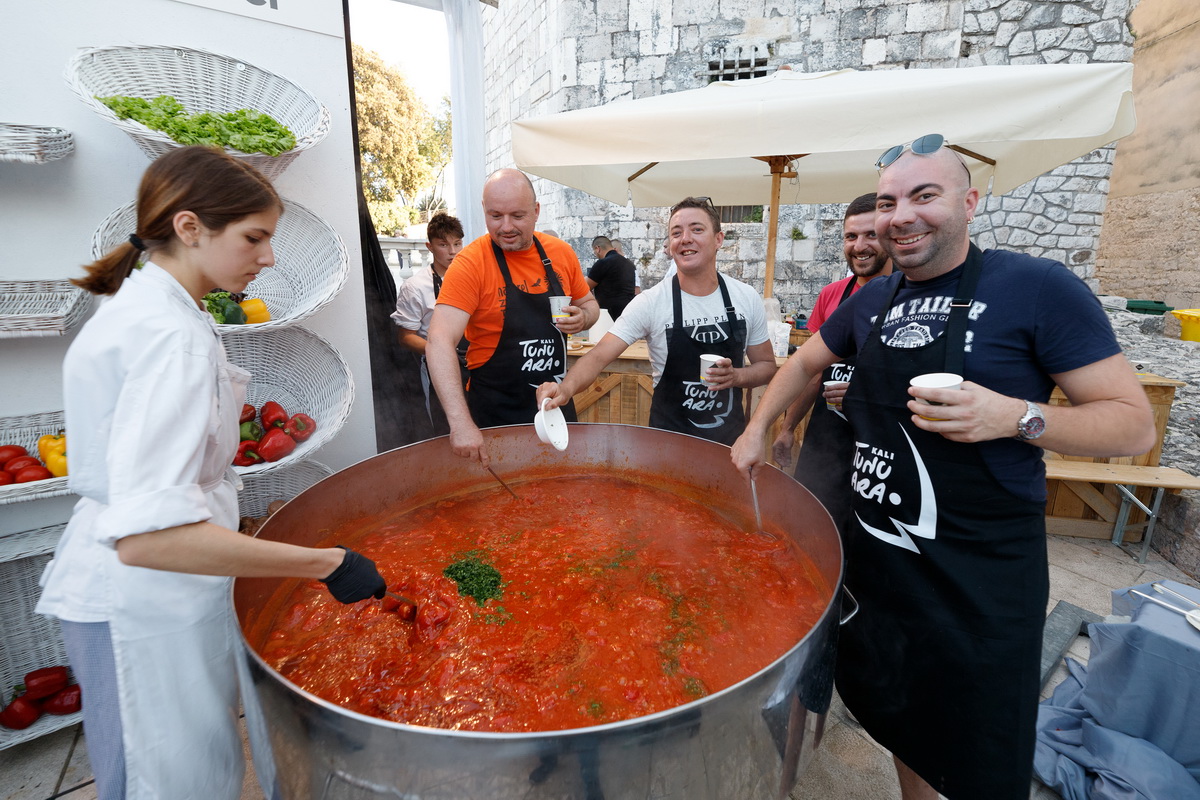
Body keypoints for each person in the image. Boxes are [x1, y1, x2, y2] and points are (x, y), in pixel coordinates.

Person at [731, 138, 1155, 800]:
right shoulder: (871, 302)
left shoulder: (1037, 287)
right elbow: (806, 362)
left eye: (924, 196)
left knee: (979, 746)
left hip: (977, 580)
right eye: (890, 201)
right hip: (881, 565)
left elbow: (1133, 422)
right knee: (904, 723)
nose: (902, 214)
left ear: (969, 201)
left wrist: (1016, 416)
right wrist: (759, 428)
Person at [35, 146, 388, 800]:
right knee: (167, 783)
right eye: (255, 237)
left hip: (160, 592)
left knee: (198, 770)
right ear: (191, 228)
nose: (269, 257)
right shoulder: (166, 336)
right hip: (139, 599)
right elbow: (149, 537)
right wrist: (327, 564)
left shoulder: (171, 315)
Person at [538, 197, 777, 445]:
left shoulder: (745, 297)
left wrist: (736, 377)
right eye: (676, 232)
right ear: (671, 244)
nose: (685, 238)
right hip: (666, 447)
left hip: (728, 445)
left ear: (718, 239)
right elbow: (598, 357)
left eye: (697, 229)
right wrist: (565, 389)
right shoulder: (651, 303)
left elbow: (767, 366)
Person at [426, 168, 599, 465]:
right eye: (495, 216)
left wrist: (583, 318)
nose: (505, 226)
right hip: (494, 414)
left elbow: (590, 305)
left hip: (554, 408)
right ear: (484, 210)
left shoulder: (561, 253)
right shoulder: (470, 264)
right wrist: (460, 423)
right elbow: (439, 340)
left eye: (517, 216)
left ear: (536, 211)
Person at [772, 193, 892, 535]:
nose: (860, 245)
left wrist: (865, 391)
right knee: (810, 525)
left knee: (866, 536)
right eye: (851, 236)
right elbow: (810, 370)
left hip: (879, 444)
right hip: (826, 438)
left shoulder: (910, 296)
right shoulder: (832, 295)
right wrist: (786, 427)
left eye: (870, 235)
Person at [392, 211, 466, 436]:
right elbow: (405, 336)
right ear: (429, 246)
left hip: (477, 362)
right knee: (449, 428)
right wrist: (441, 352)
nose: (452, 252)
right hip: (438, 365)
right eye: (444, 245)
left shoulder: (471, 277)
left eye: (457, 243)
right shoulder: (415, 286)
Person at [587, 235, 637, 320]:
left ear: (598, 248)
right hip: (628, 311)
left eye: (594, 251)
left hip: (609, 314)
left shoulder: (603, 263)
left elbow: (585, 286)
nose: (595, 254)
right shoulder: (629, 264)